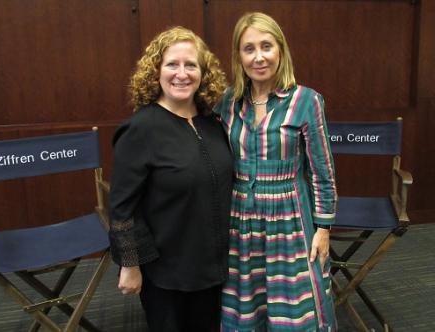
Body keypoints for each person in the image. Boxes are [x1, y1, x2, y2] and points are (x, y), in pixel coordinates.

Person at [215, 12, 337, 331]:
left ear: (280, 50)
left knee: (293, 310)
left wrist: (323, 228)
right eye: (249, 48)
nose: (259, 57)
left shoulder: (306, 101)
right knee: (246, 304)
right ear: (239, 56)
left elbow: (322, 172)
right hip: (240, 219)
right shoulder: (227, 102)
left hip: (290, 219)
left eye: (266, 46)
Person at [108, 26, 233, 332]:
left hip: (214, 265)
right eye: (172, 64)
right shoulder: (140, 129)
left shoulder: (213, 123)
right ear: (156, 72)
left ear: (203, 72)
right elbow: (123, 208)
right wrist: (130, 264)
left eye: (191, 65)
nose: (182, 73)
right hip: (166, 273)